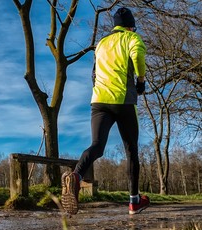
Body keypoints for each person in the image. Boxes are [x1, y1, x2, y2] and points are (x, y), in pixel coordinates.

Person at [62, 7, 150, 215]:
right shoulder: (132, 38)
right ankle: (133, 202)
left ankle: (76, 176)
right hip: (123, 101)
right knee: (131, 151)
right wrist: (140, 81)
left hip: (99, 100)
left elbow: (94, 73)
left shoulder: (101, 43)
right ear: (130, 26)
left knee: (97, 145)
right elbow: (137, 56)